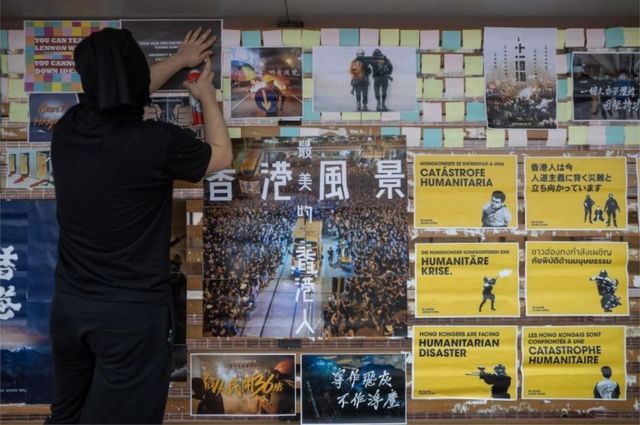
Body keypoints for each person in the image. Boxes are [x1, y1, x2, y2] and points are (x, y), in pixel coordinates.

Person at [47, 27, 232, 424]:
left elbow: (119, 89)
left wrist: (180, 60)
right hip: (130, 318)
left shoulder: (67, 129)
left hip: (70, 308)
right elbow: (219, 156)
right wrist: (207, 97)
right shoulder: (155, 141)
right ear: (133, 74)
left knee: (66, 415)